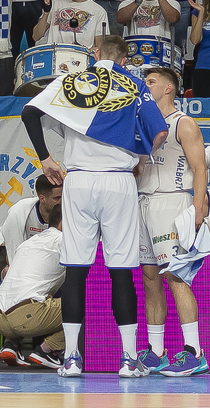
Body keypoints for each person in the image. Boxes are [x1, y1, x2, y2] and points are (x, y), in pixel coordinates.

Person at [19, 35, 167, 378]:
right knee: (121, 270)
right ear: (125, 59)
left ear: (95, 54)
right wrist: (140, 157)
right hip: (118, 181)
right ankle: (128, 359)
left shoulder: (74, 81)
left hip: (79, 180)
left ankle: (71, 358)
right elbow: (159, 132)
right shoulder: (134, 84)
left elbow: (29, 112)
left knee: (75, 269)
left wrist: (45, 159)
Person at [132, 65, 210, 377]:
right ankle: (156, 351)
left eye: (151, 81)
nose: (145, 85)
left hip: (173, 201)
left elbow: (200, 167)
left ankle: (195, 352)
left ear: (168, 88)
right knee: (150, 278)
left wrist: (198, 208)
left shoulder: (183, 123)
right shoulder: (142, 123)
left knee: (176, 277)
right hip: (144, 202)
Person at [0, 204, 66, 369]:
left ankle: (11, 344)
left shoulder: (28, 242)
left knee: (32, 294)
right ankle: (48, 350)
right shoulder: (64, 241)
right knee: (87, 303)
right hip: (26, 317)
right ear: (63, 222)